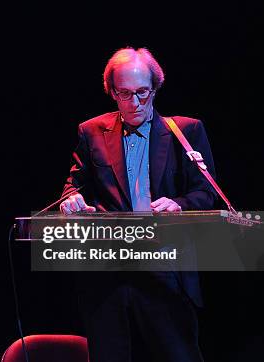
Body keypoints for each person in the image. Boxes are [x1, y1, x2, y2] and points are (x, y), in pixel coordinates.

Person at [59, 48, 217, 362]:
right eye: (125, 94)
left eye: (142, 93)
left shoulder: (185, 131)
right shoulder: (91, 132)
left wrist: (178, 205)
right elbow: (74, 185)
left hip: (165, 269)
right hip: (108, 273)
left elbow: (207, 193)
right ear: (112, 93)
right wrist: (71, 200)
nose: (135, 103)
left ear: (155, 89)